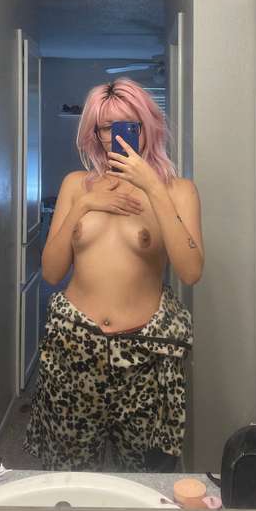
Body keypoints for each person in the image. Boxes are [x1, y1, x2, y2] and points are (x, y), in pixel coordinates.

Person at [23, 78, 204, 472]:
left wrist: (153, 188)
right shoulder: (76, 185)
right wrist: (84, 204)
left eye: (128, 125)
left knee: (144, 479)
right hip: (73, 348)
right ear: (95, 133)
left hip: (145, 355)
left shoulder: (179, 191)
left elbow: (191, 272)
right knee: (68, 476)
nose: (116, 136)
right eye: (106, 127)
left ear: (148, 126)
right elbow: (51, 272)